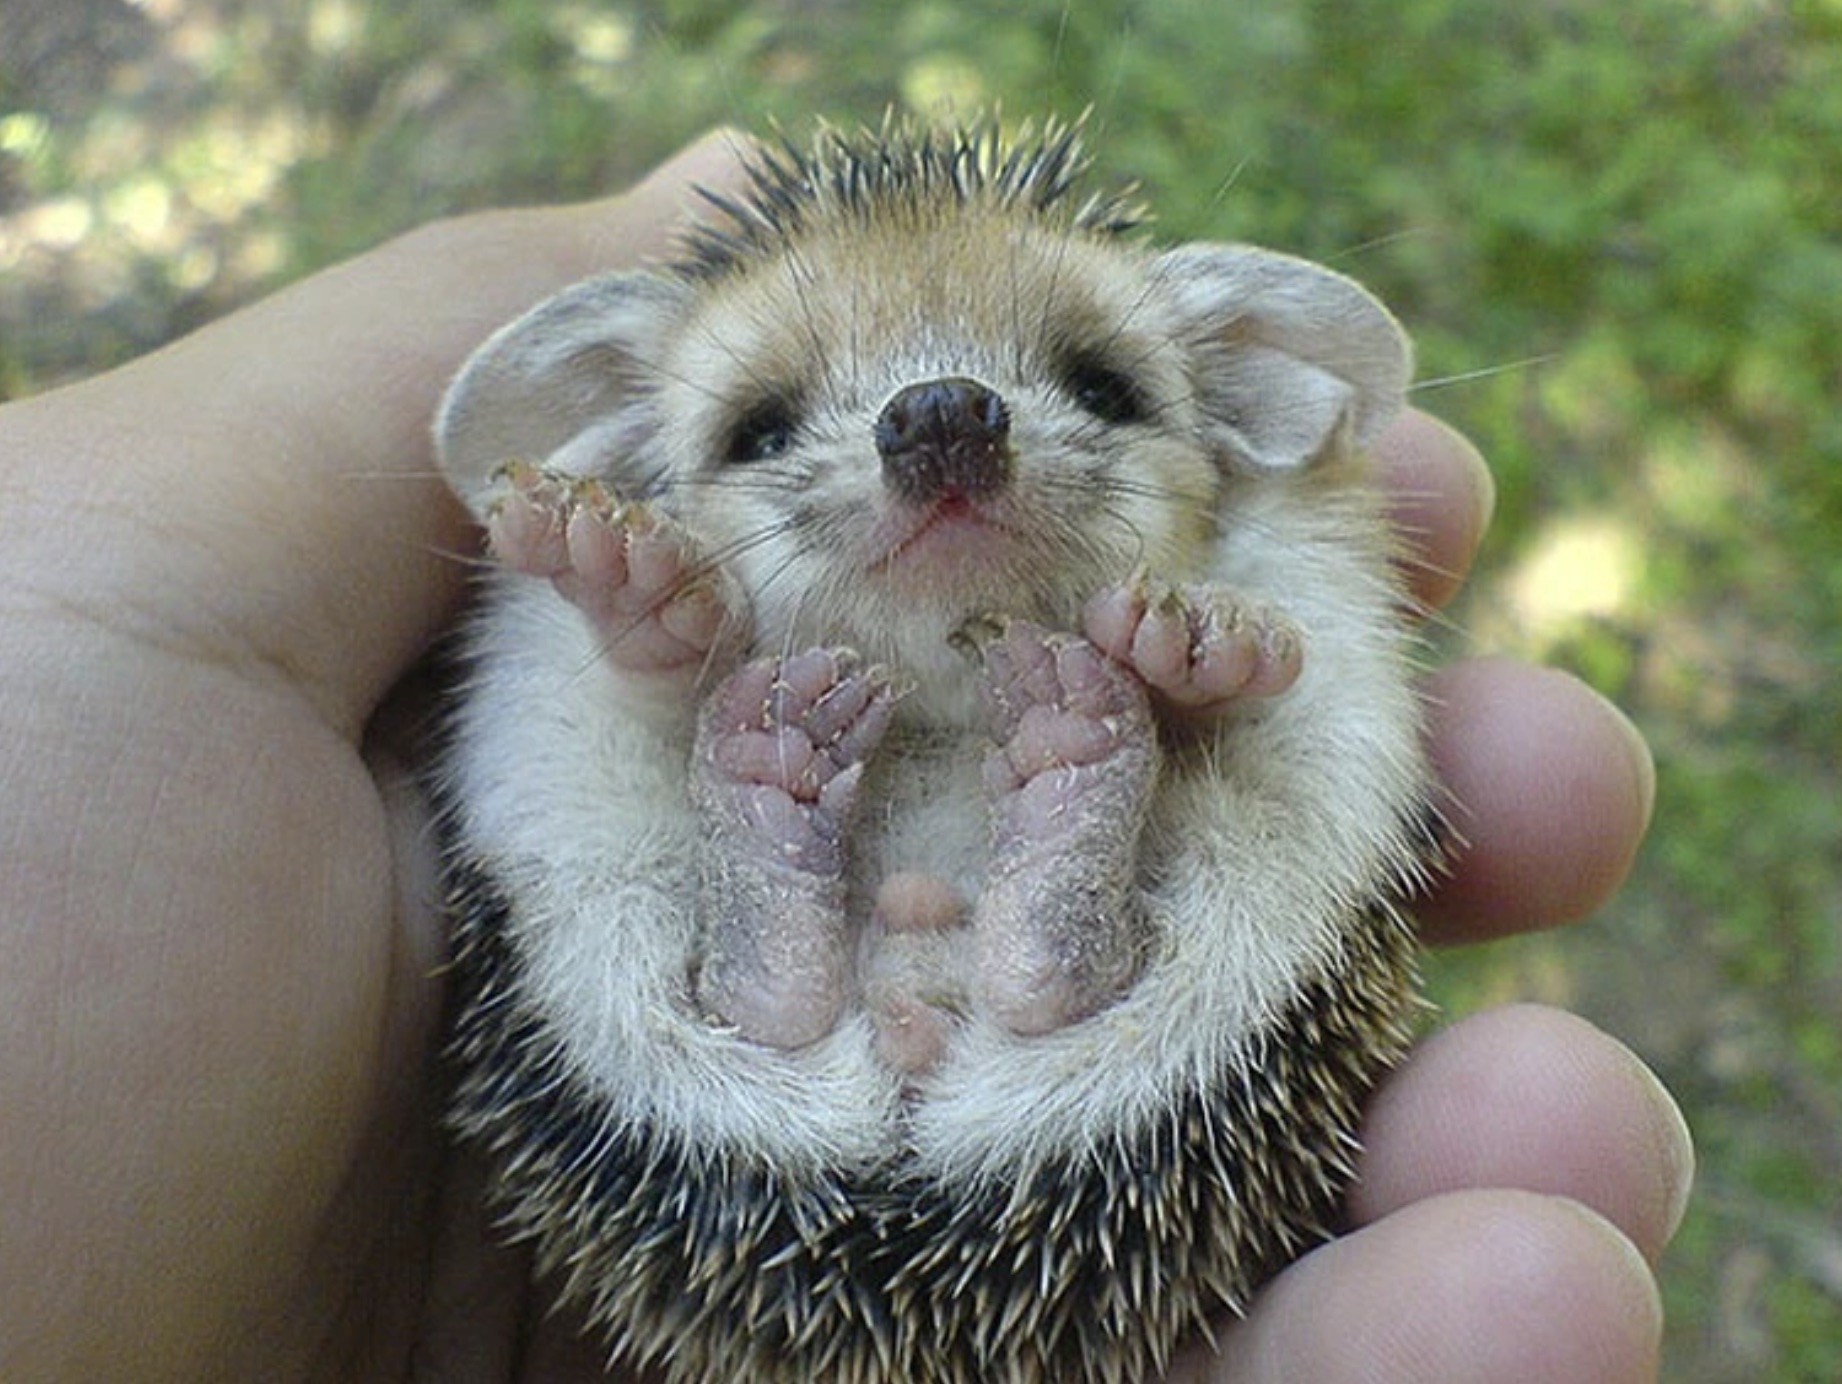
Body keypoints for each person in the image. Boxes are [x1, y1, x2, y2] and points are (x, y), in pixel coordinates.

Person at [0, 130, 1689, 1383]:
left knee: (1268, 704)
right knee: (605, 684)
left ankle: (795, 923)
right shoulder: (667, 551)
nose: (943, 424)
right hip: (984, 1025)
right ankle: (1053, 894)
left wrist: (1213, 669)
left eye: (1091, 383)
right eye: (756, 428)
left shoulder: (1209, 532)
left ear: (1237, 395)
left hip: (843, 1007)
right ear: (630, 432)